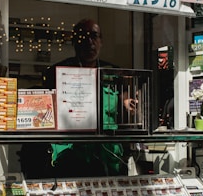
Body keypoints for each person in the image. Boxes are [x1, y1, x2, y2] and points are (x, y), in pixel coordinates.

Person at [20, 18, 137, 178]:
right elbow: (45, 113)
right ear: (74, 41)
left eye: (94, 36)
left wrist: (129, 106)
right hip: (69, 156)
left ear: (101, 41)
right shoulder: (57, 72)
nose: (89, 42)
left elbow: (127, 111)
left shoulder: (114, 73)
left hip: (108, 157)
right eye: (83, 36)